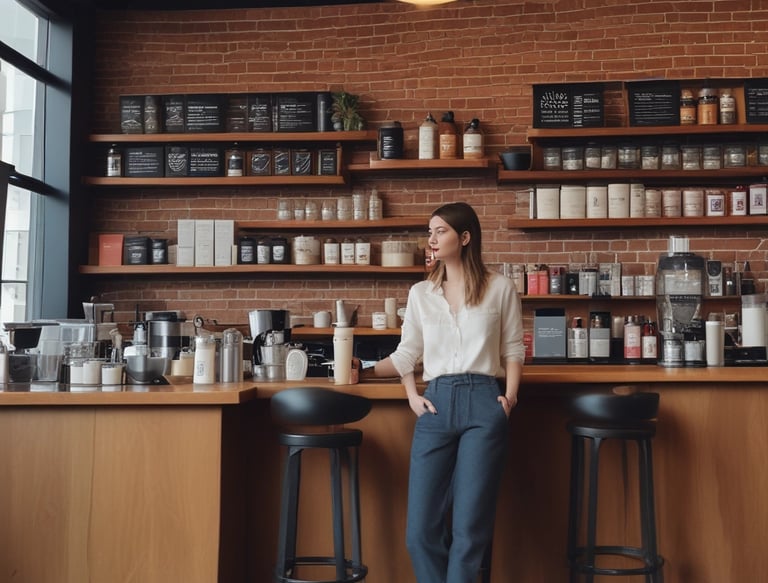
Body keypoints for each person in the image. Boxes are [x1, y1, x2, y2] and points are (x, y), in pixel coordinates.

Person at [371, 201, 525, 583]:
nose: (432, 239)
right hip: (435, 403)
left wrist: (511, 397)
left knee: (469, 533)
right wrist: (395, 385)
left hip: (484, 402)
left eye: (440, 231)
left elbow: (513, 349)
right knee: (420, 532)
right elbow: (407, 353)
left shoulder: (501, 288)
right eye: (430, 232)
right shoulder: (421, 293)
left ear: (465, 237)